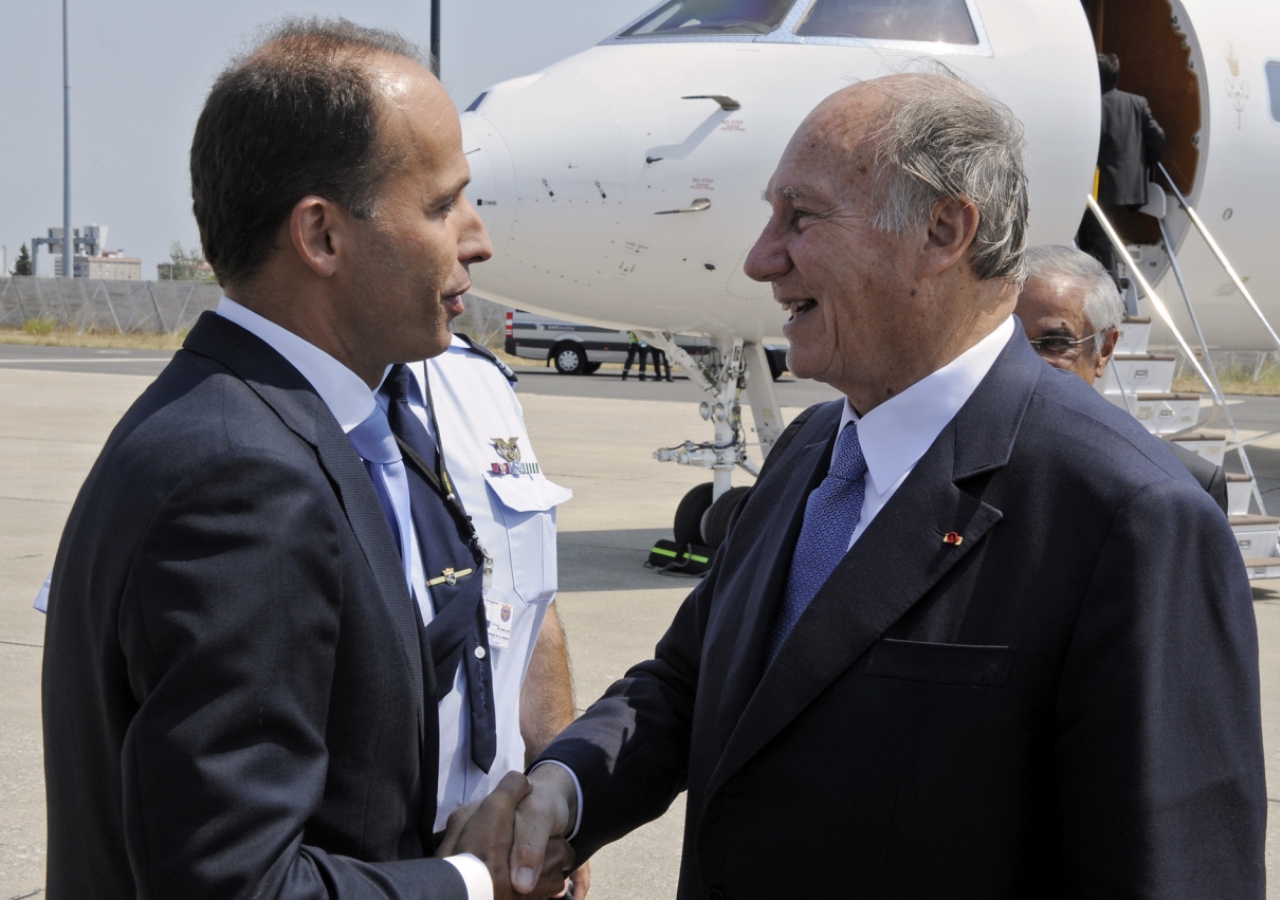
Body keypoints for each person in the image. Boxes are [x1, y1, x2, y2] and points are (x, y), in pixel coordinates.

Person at [485, 71, 1266, 898]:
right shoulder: (810, 451)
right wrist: (563, 790)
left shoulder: (1128, 517)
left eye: (802, 216)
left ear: (942, 230)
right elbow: (689, 682)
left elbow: (1178, 872)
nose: (760, 258)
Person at [41, 19, 569, 900]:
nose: (476, 239)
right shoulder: (243, 480)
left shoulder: (281, 424)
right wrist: (474, 882)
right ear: (321, 236)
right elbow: (237, 884)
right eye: (441, 205)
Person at [404, 324, 590, 897]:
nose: (476, 241)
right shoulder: (277, 416)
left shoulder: (481, 383)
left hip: (507, 845)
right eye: (438, 224)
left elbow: (524, 602)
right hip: (372, 864)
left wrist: (553, 794)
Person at [1016, 244, 1228, 512]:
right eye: (1009, 340)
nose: (1025, 360)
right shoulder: (952, 456)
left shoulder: (1181, 484)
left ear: (1104, 349)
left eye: (1056, 342)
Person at [1077, 53, 1166, 283]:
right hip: (1128, 185)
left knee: (1096, 237)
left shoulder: (1092, 104)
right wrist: (1148, 166)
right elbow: (1157, 138)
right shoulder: (1137, 103)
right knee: (1098, 235)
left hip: (1099, 183)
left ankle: (1110, 290)